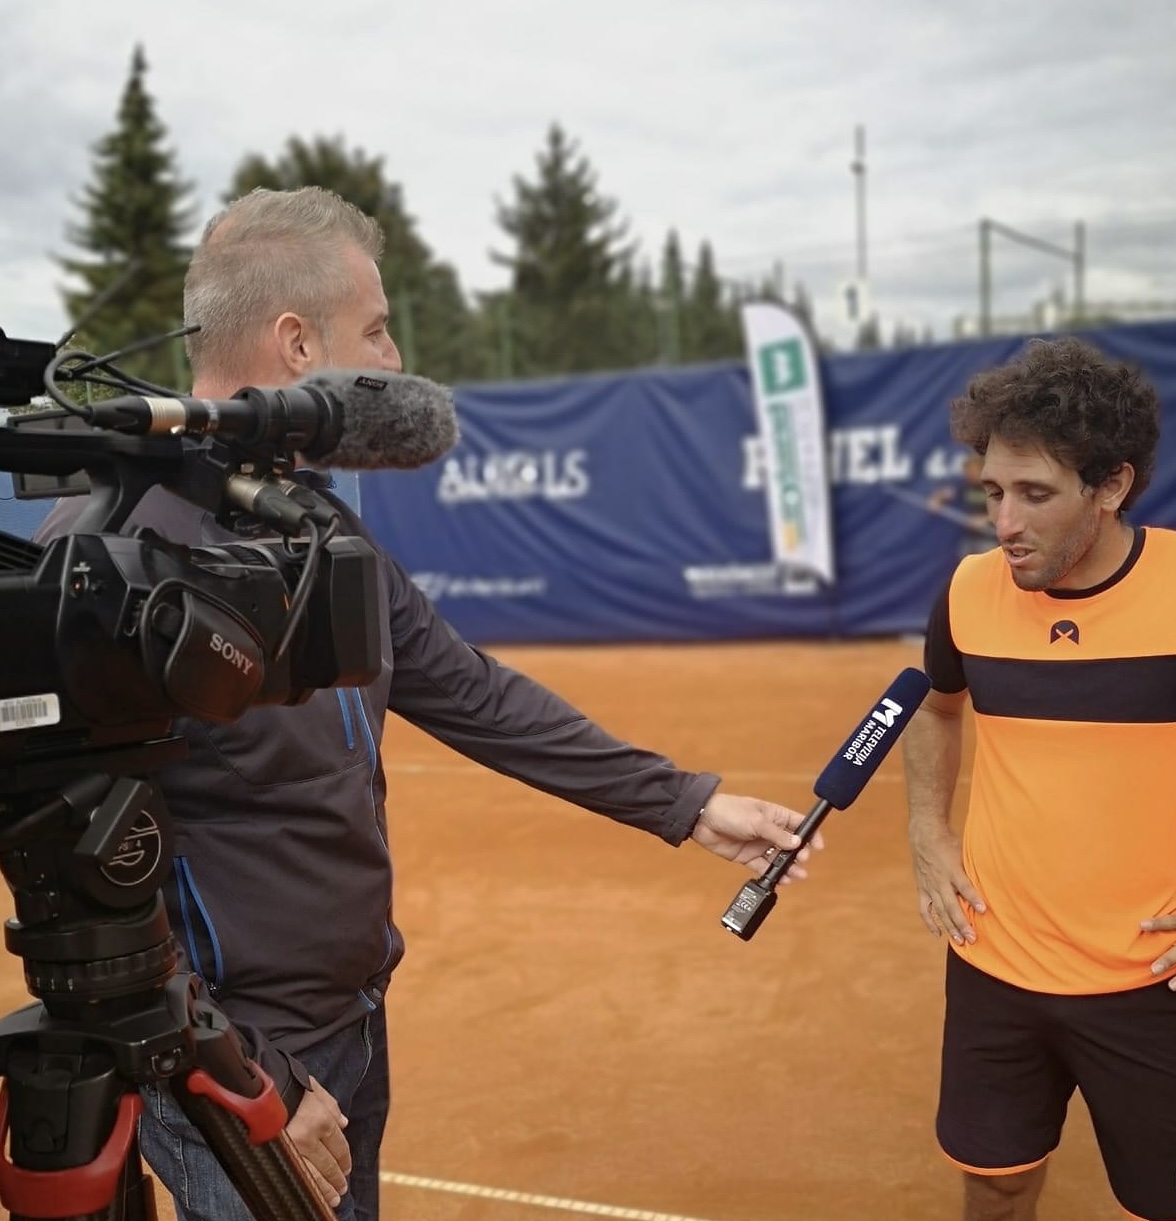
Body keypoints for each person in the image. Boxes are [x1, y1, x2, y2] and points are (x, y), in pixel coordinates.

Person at [35, 186, 818, 1221]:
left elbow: (471, 691)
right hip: (237, 1069)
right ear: (296, 343)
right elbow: (85, 883)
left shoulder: (313, 526)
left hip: (352, 1024)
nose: (396, 359)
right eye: (377, 328)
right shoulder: (103, 561)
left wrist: (682, 802)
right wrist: (247, 1075)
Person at [902, 336, 1176, 1221]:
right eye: (991, 490)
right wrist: (926, 830)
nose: (1004, 522)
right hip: (993, 968)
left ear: (1111, 487)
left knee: (1172, 1209)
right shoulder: (964, 591)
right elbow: (937, 708)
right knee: (996, 1181)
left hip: (1155, 982)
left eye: (1034, 494)